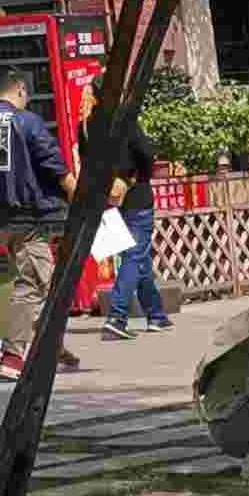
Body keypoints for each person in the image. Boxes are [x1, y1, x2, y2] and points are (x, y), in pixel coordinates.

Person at [0, 74, 85, 379]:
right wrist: (78, 195)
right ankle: (13, 357)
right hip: (27, 216)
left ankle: (51, 347)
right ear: (19, 89)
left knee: (44, 281)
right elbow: (52, 162)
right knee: (32, 285)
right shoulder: (25, 120)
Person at [96, 123, 171, 338]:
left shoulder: (88, 125)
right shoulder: (126, 120)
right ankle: (117, 317)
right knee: (134, 256)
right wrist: (139, 177)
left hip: (104, 198)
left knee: (138, 258)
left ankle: (156, 314)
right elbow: (146, 154)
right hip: (135, 196)